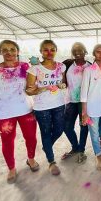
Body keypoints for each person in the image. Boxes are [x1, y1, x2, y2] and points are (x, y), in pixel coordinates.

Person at [0, 40, 39, 183]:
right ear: (0, 52)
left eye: (12, 49)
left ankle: (31, 159)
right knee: (7, 143)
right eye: (5, 50)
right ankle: (12, 168)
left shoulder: (26, 67)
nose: (9, 53)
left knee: (31, 138)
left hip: (26, 110)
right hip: (4, 114)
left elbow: (34, 86)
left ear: (17, 51)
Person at [26, 40, 66, 176]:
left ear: (56, 50)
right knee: (46, 132)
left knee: (59, 129)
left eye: (52, 49)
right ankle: (51, 161)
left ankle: (46, 146)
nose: (49, 52)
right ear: (41, 51)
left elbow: (63, 83)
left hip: (59, 104)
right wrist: (43, 88)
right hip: (42, 107)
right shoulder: (34, 69)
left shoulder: (61, 67)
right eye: (45, 50)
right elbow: (29, 90)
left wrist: (62, 85)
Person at [61, 42, 91, 163]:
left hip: (85, 102)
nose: (77, 52)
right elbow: (62, 81)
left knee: (84, 126)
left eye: (80, 50)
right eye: (74, 50)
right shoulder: (67, 64)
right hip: (70, 101)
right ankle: (75, 147)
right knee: (67, 127)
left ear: (85, 51)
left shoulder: (90, 66)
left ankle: (82, 151)